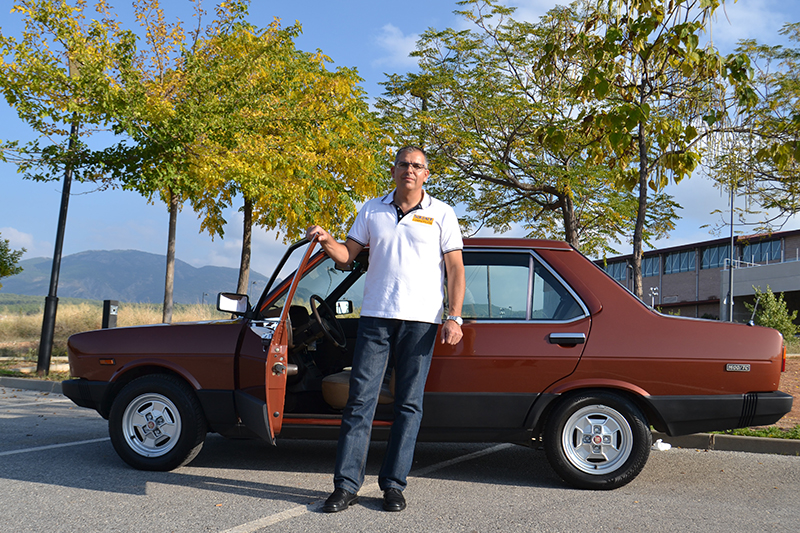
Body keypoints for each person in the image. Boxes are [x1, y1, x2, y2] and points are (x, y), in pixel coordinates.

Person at [306, 146, 465, 513]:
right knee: (360, 402)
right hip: (376, 317)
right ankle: (346, 486)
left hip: (422, 321)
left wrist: (453, 317)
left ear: (427, 174)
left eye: (417, 166)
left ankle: (393, 486)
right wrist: (328, 241)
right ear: (393, 170)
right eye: (403, 164)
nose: (409, 170)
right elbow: (348, 256)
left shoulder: (442, 213)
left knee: (409, 405)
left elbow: (455, 269)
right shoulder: (371, 209)